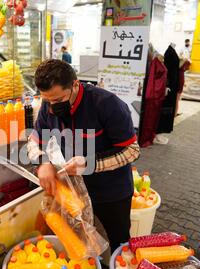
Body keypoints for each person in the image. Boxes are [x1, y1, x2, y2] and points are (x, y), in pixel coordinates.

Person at [27, 59, 140, 251]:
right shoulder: (47, 106)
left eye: (57, 100)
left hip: (111, 190)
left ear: (75, 85)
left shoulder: (107, 105)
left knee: (119, 240)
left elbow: (132, 151)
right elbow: (35, 140)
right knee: (78, 239)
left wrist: (90, 164)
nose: (52, 107)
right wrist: (42, 161)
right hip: (73, 191)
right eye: (47, 100)